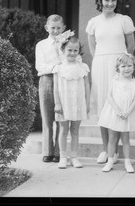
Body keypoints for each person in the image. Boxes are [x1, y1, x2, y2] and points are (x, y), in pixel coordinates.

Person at [86, 0, 135, 164]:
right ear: (100, 1)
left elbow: (130, 46)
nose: (110, 3)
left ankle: (119, 151)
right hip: (100, 64)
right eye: (106, 0)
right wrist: (102, 60)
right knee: (103, 106)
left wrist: (121, 64)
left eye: (113, 0)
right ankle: (106, 151)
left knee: (119, 104)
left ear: (117, 2)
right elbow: (93, 48)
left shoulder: (124, 20)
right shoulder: (93, 22)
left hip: (119, 65)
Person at [53, 34, 90, 169]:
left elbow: (87, 86)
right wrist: (57, 103)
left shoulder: (83, 67)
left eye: (75, 50)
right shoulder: (58, 68)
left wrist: (87, 102)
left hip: (78, 102)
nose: (72, 53)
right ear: (63, 50)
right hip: (64, 103)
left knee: (75, 130)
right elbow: (56, 87)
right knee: (63, 129)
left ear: (79, 51)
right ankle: (63, 157)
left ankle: (74, 156)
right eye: (69, 50)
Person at [98, 53, 135, 173]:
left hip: (127, 113)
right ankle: (110, 161)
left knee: (126, 139)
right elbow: (109, 96)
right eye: (123, 66)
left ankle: (127, 162)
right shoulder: (115, 80)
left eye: (129, 66)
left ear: (133, 66)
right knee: (112, 138)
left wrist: (127, 112)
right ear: (118, 68)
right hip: (115, 112)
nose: (127, 69)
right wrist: (117, 110)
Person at [35, 14, 66, 163]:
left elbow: (68, 61)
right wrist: (55, 67)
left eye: (58, 28)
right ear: (47, 28)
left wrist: (61, 45)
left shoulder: (66, 43)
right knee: (47, 117)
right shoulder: (41, 45)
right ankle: (47, 151)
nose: (55, 31)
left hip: (62, 80)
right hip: (47, 79)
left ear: (63, 28)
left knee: (60, 116)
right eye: (53, 28)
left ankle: (58, 151)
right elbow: (40, 66)